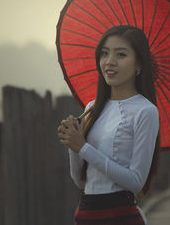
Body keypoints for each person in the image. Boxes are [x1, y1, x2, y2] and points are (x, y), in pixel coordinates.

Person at [57, 25, 160, 225]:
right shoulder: (91, 108)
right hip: (86, 214)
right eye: (104, 54)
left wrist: (83, 147)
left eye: (120, 55)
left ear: (139, 63)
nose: (109, 62)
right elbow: (80, 180)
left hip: (118, 215)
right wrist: (73, 144)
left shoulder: (145, 111)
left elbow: (136, 181)